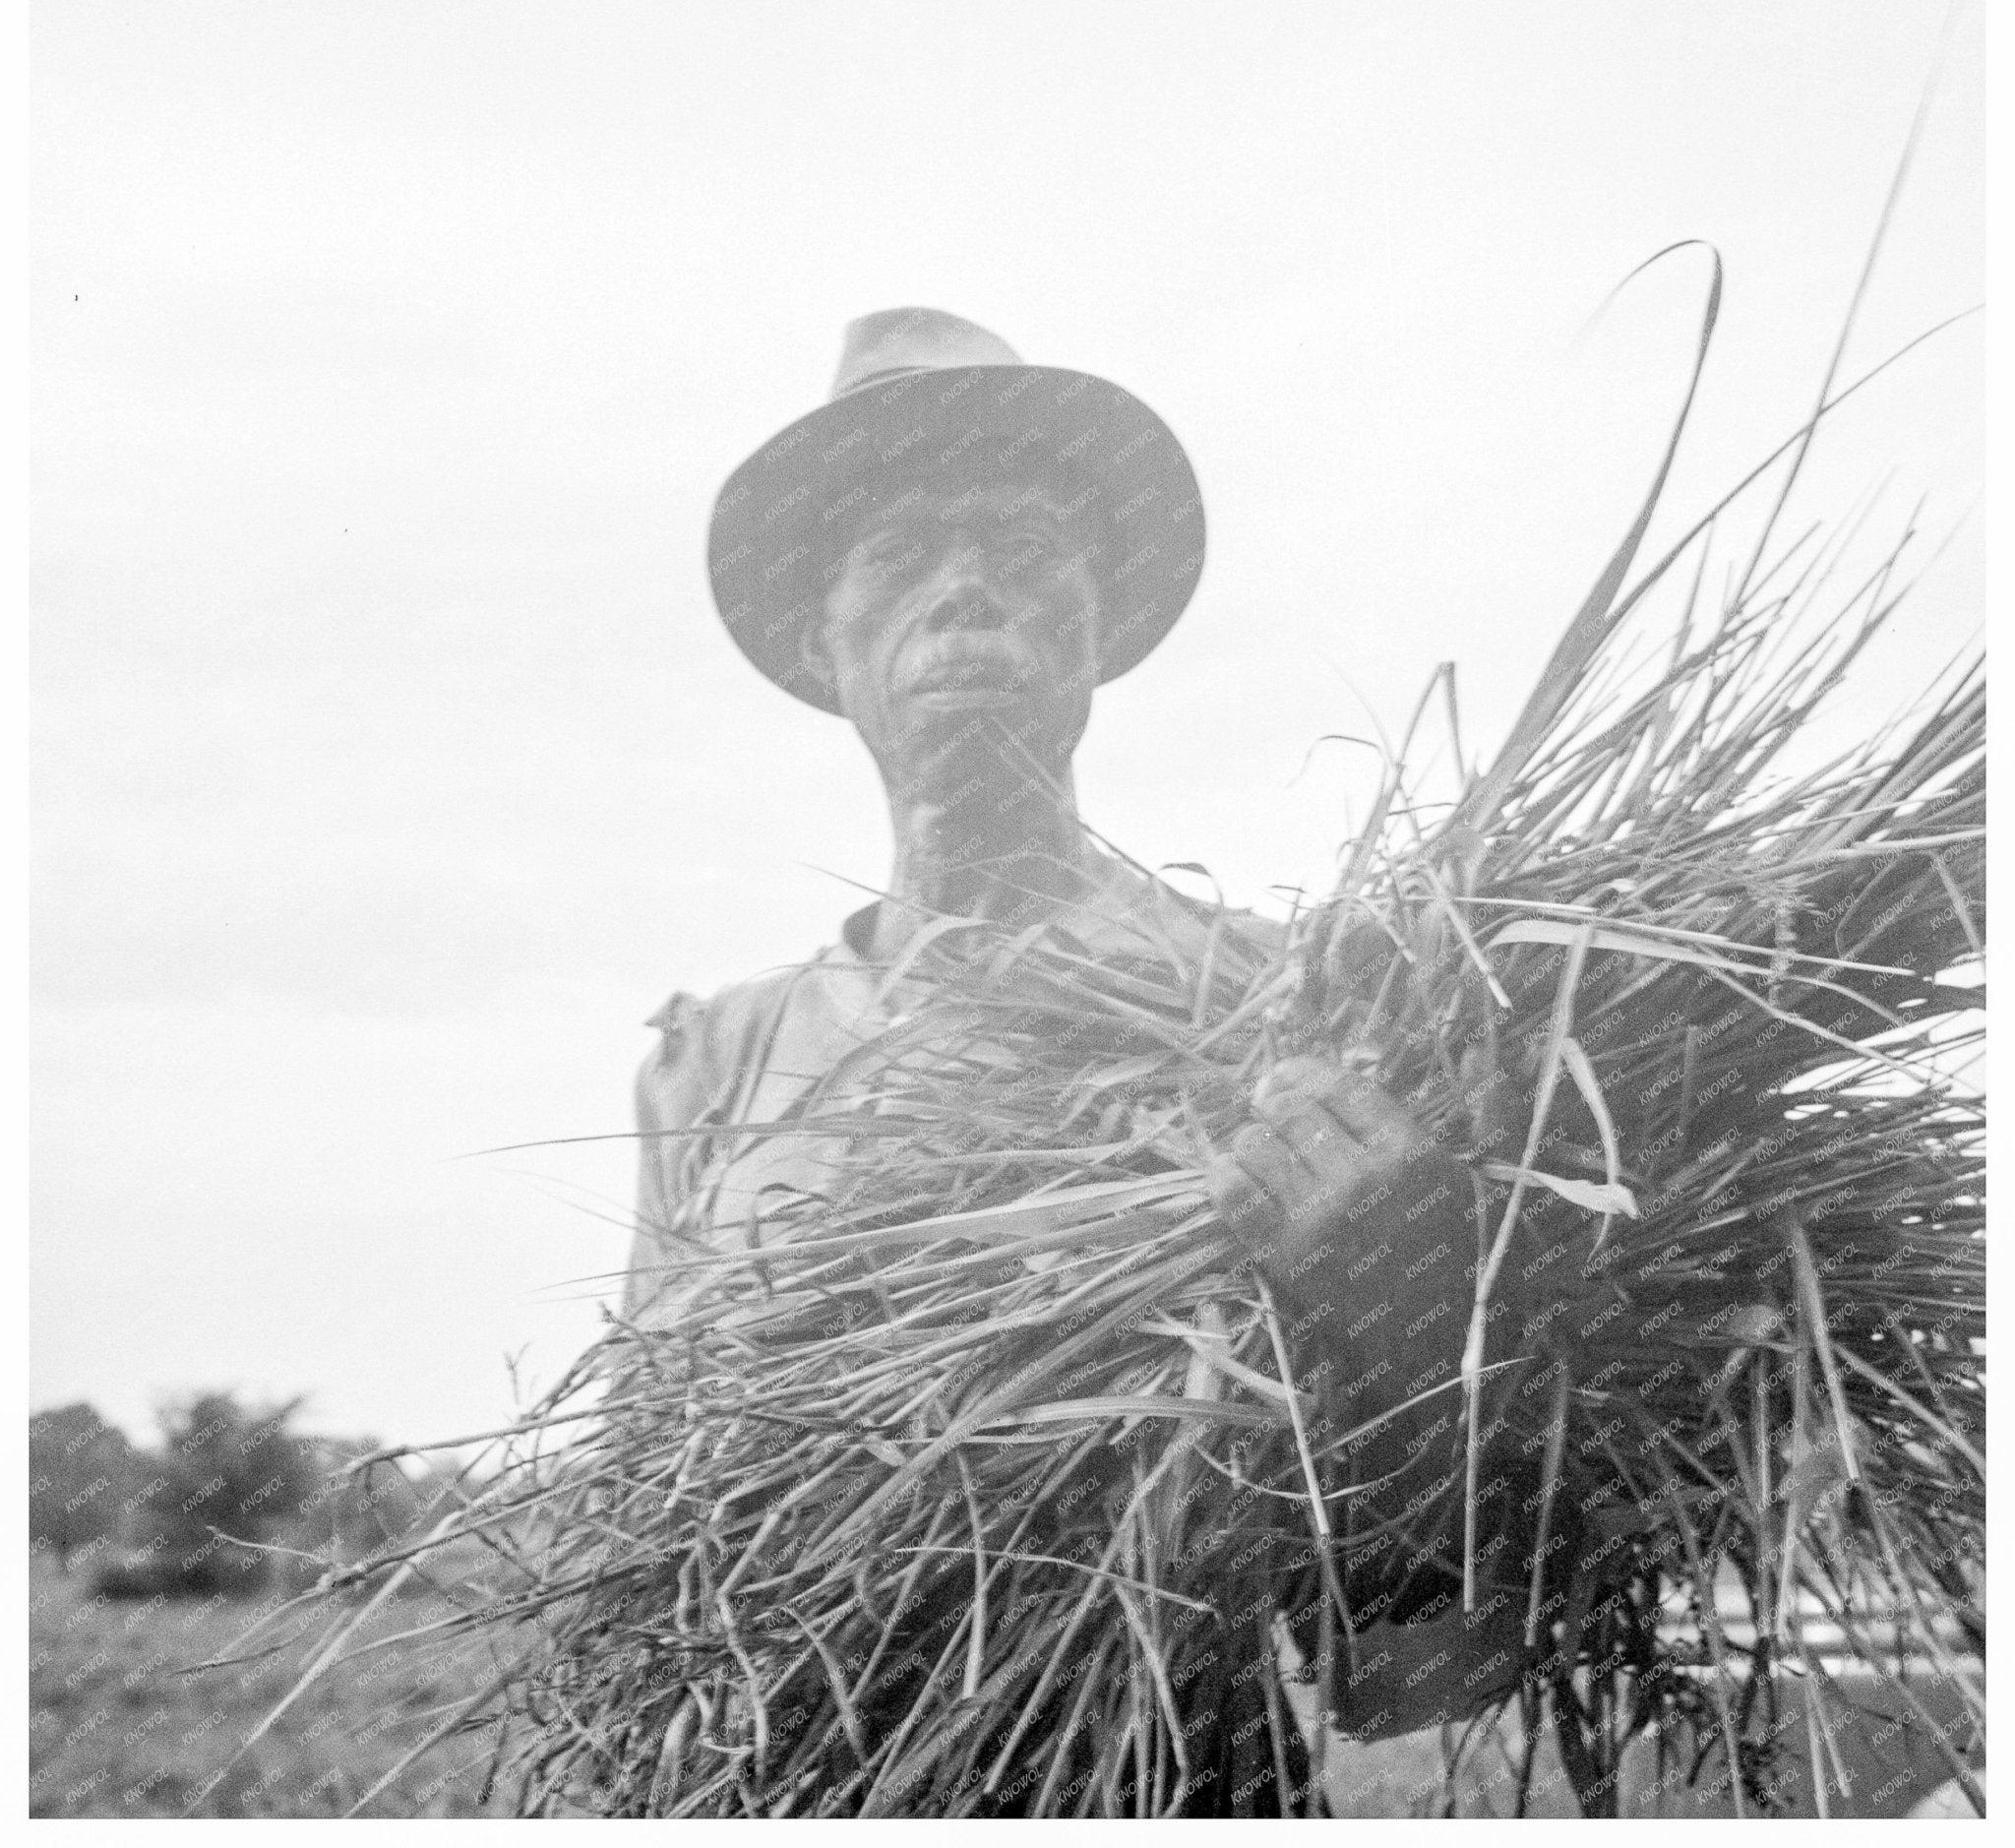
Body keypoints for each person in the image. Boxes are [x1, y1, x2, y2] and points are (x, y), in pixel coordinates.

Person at [624, 309, 1542, 1814]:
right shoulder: (717, 1065)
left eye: (1021, 549)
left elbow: (1428, 1667)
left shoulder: (1289, 1011)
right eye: (902, 554)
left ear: (1100, 623)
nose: (968, 588)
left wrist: (1408, 1315)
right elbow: (649, 1569)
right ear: (821, 639)